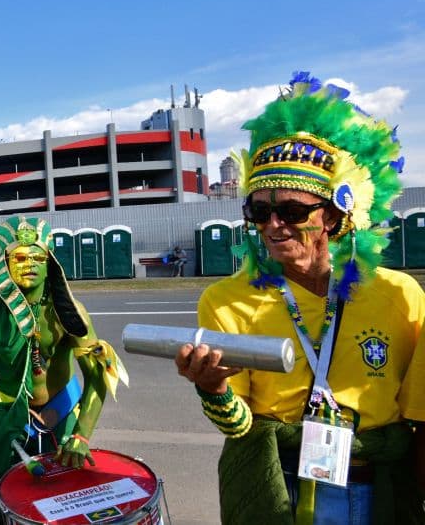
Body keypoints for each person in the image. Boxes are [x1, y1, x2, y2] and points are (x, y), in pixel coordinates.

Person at [175, 73, 425, 524]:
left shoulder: (399, 294)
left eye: (291, 211)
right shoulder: (226, 299)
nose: (273, 225)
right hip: (278, 483)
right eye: (259, 211)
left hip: (381, 486)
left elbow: (419, 418)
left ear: (331, 215)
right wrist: (212, 389)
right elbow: (239, 426)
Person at [0, 216, 128, 522]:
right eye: (20, 257)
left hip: (63, 413)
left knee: (67, 499)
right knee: (12, 500)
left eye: (37, 256)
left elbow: (98, 374)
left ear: (49, 260)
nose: (29, 264)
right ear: (5, 261)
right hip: (11, 416)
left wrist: (82, 435)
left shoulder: (70, 311)